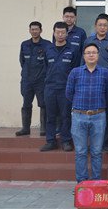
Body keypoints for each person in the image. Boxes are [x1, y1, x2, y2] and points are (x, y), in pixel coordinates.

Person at [66, 43, 108, 183]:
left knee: (97, 151)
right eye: (88, 53)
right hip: (79, 116)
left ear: (98, 55)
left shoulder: (105, 73)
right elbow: (69, 93)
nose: (91, 55)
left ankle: (96, 182)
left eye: (94, 52)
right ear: (84, 56)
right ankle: (82, 183)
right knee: (80, 152)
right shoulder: (75, 72)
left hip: (99, 116)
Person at [41, 22, 81, 152]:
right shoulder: (48, 49)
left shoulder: (72, 50)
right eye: (57, 32)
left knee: (65, 116)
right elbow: (45, 68)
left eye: (62, 32)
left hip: (66, 88)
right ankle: (50, 141)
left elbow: (75, 69)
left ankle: (66, 141)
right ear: (53, 33)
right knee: (50, 116)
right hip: (50, 87)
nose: (60, 35)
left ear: (67, 34)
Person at [83, 13, 108, 152]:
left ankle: (105, 142)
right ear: (95, 26)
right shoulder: (88, 41)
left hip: (107, 82)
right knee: (91, 112)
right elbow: (82, 62)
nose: (102, 27)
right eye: (100, 25)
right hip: (91, 81)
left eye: (105, 25)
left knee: (106, 112)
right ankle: (90, 142)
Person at [16, 21, 50, 137]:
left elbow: (48, 62)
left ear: (41, 30)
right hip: (27, 80)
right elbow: (22, 61)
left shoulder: (47, 45)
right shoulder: (24, 44)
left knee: (43, 104)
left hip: (41, 80)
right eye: (32, 29)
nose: (34, 31)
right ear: (29, 30)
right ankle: (25, 128)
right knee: (26, 104)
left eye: (36, 29)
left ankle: (43, 128)